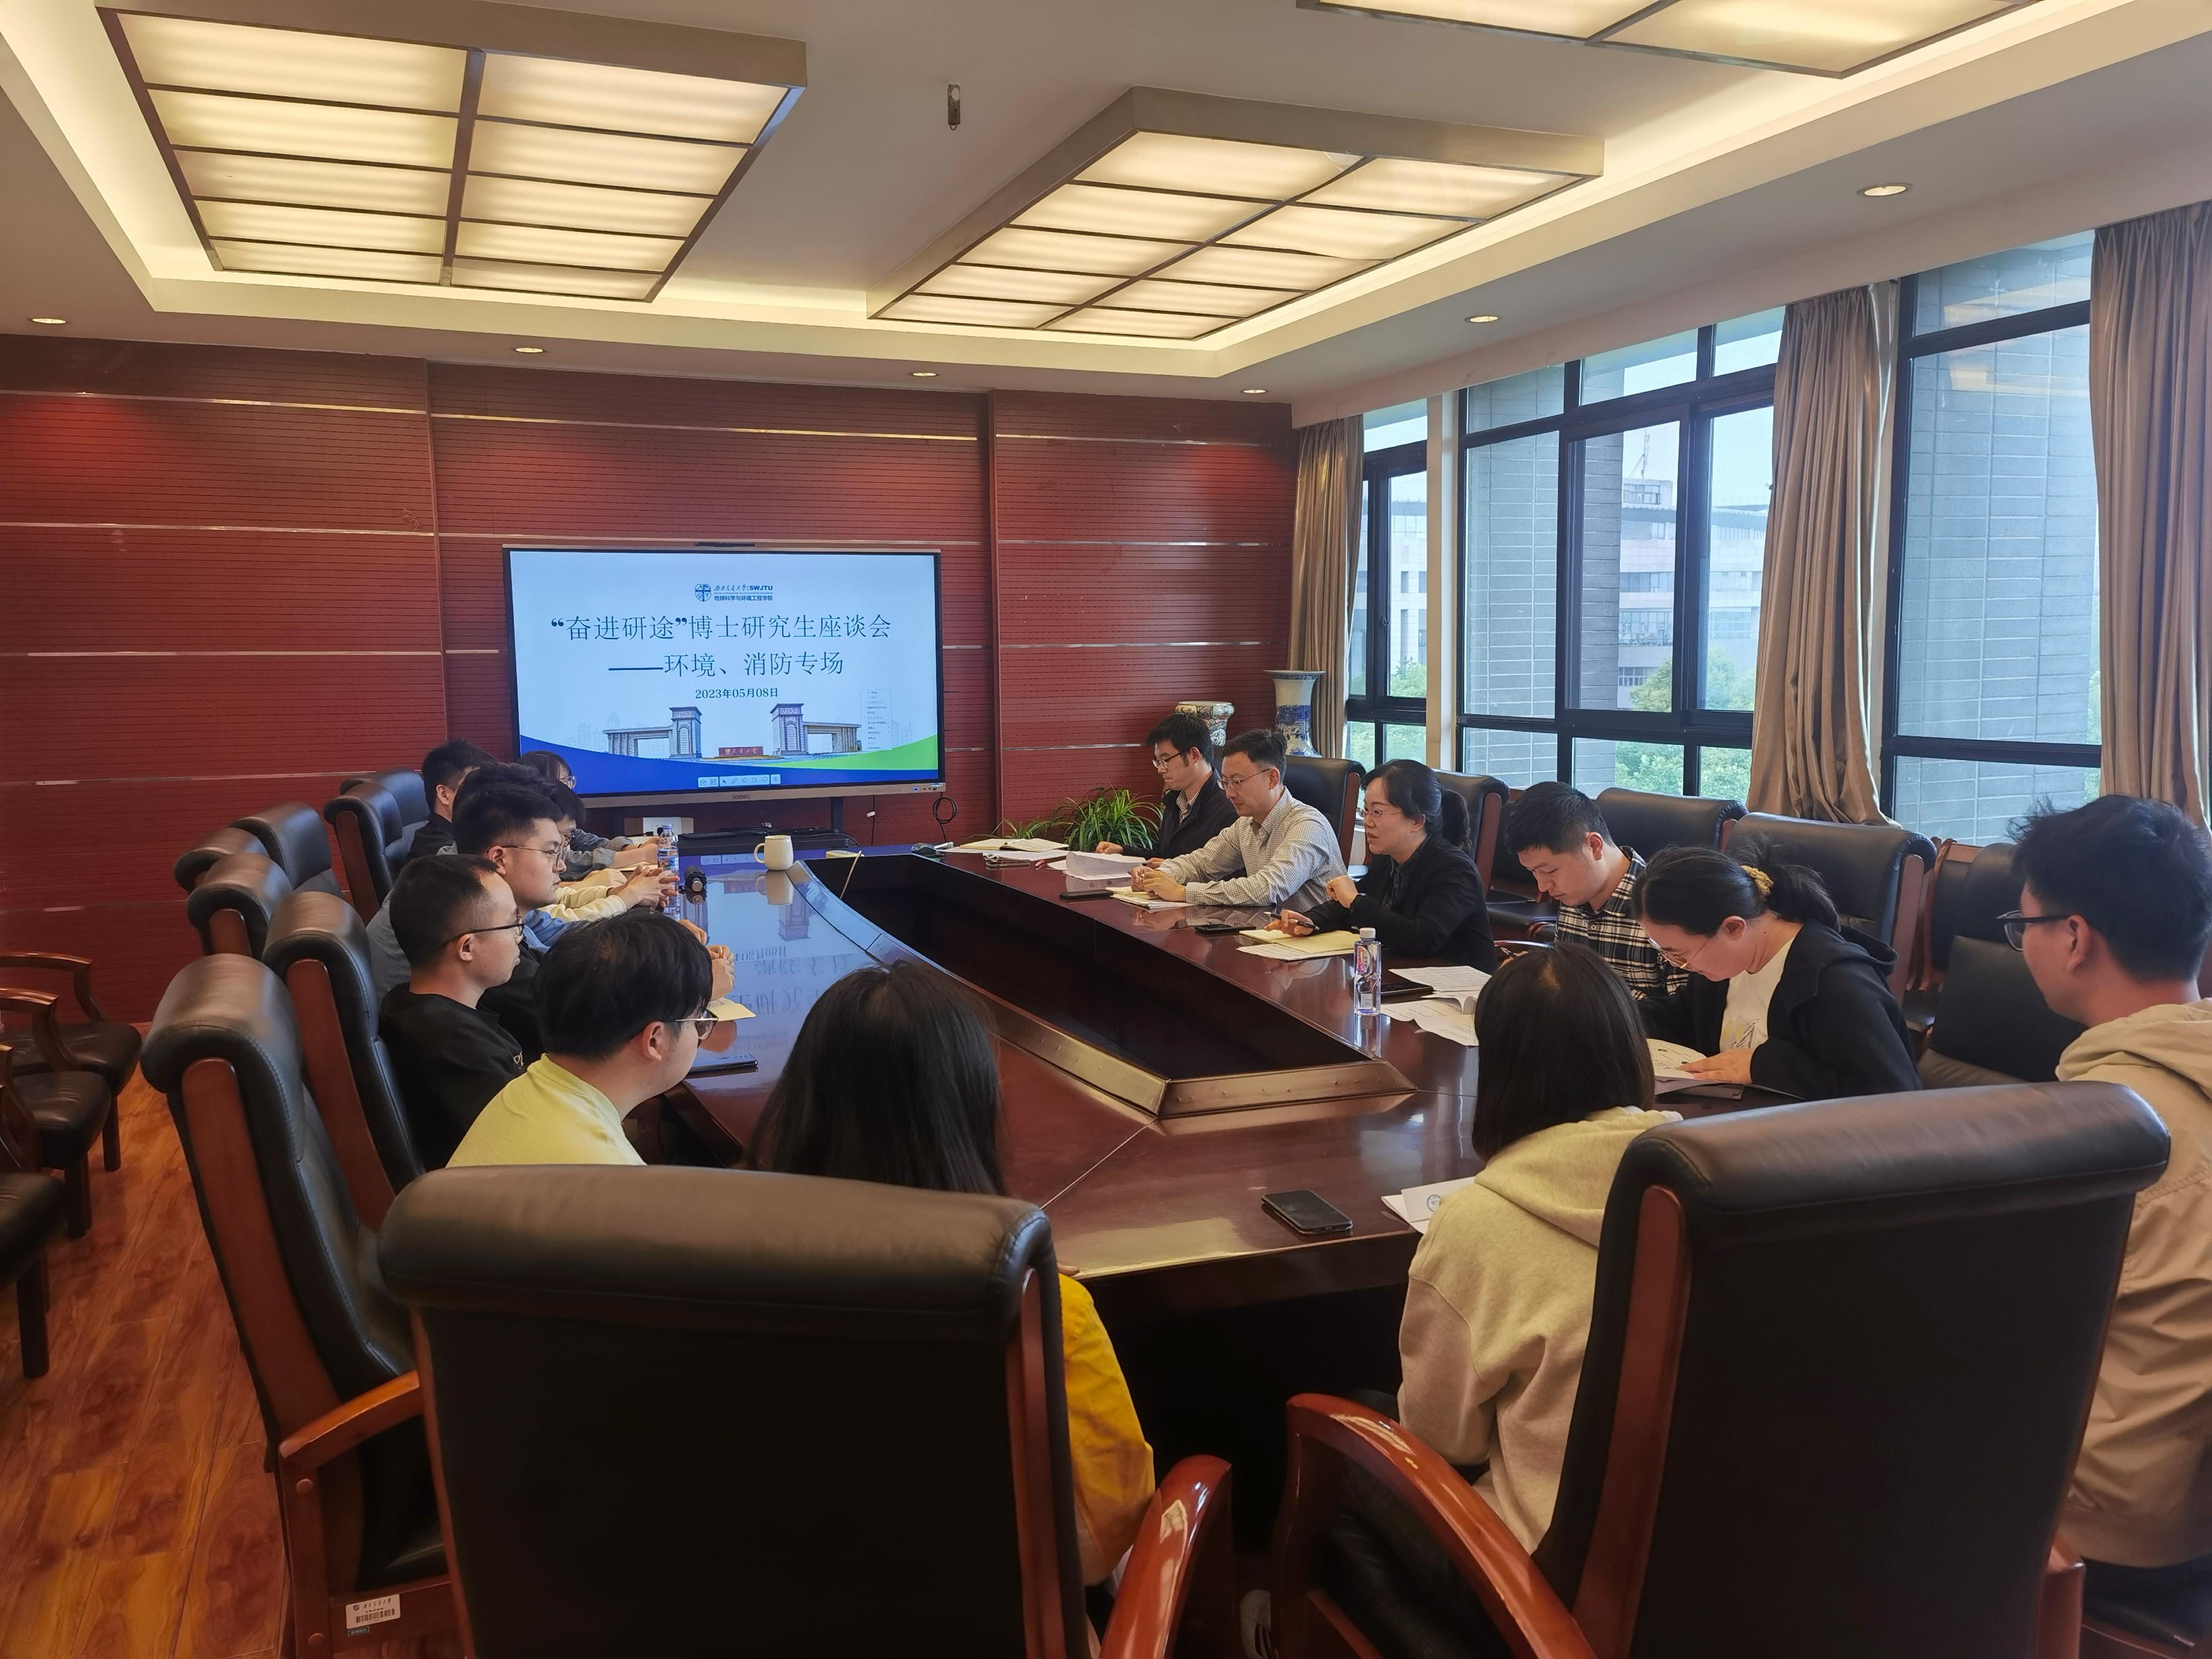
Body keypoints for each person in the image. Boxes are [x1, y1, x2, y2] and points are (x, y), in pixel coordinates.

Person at [756, 961, 1155, 1587]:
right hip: (989, 1620)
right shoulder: (1045, 1313)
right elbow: (1100, 1545)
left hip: (777, 1604)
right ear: (971, 1108)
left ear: (802, 1098)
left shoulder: (729, 1270)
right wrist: (1035, 1288)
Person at [1398, 943, 1679, 1549]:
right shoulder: (1716, 1186)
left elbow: (1443, 1440)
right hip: (1705, 1557)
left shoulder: (1477, 1222)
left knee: (1353, 1443)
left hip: (1541, 1570)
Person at [2009, 793, 2212, 1617]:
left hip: (2106, 1528)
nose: (2021, 944)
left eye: (2020, 924)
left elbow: (1992, 1336)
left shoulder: (2098, 1127)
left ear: (2073, 936)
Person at [1633, 844, 1919, 1099]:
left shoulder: (1836, 983)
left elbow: (1894, 1097)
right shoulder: (1728, 964)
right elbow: (1683, 1017)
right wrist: (1614, 1017)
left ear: (1733, 928)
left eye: (1680, 954)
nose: (1677, 964)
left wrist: (1764, 1067)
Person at [448, 909, 712, 1168]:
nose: (701, 1030)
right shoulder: (610, 1172)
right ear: (654, 1040)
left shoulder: (521, 1092)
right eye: (699, 1019)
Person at [379, 854, 527, 1168]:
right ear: (467, 948)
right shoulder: (453, 1045)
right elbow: (523, 1147)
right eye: (513, 924)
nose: (519, 936)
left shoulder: (410, 1004)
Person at [1276, 759, 1496, 970]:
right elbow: (1347, 910)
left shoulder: (1455, 870)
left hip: (1457, 986)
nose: (1368, 822)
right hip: (1403, 975)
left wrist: (1356, 901)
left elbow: (1423, 939)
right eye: (1366, 810)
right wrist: (1310, 921)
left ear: (1417, 821)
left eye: (1378, 812)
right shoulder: (1388, 858)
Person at [1502, 783, 1685, 1000]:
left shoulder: (1664, 904)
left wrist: (1588, 995)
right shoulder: (1574, 894)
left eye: (1550, 871)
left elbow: (1682, 1012)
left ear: (1594, 845)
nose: (1543, 887)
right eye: (1533, 871)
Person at [1131, 729, 1343, 911]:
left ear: (1272, 778)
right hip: (1270, 933)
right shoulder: (1246, 824)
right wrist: (1157, 876)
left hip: (1319, 941)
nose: (1229, 793)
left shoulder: (1308, 826)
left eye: (1238, 782)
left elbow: (1268, 888)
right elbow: (1200, 864)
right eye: (1225, 782)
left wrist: (1184, 892)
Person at [1097, 712, 1235, 862]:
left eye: (1165, 760)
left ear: (1194, 755)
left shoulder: (1229, 808)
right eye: (1158, 762)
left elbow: (1230, 871)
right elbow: (1163, 855)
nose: (1160, 769)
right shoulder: (1175, 800)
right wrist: (1123, 851)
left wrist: (1172, 868)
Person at [400, 740, 498, 869]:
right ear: (444, 794)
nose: (485, 797)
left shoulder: (469, 834)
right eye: (474, 787)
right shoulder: (436, 852)